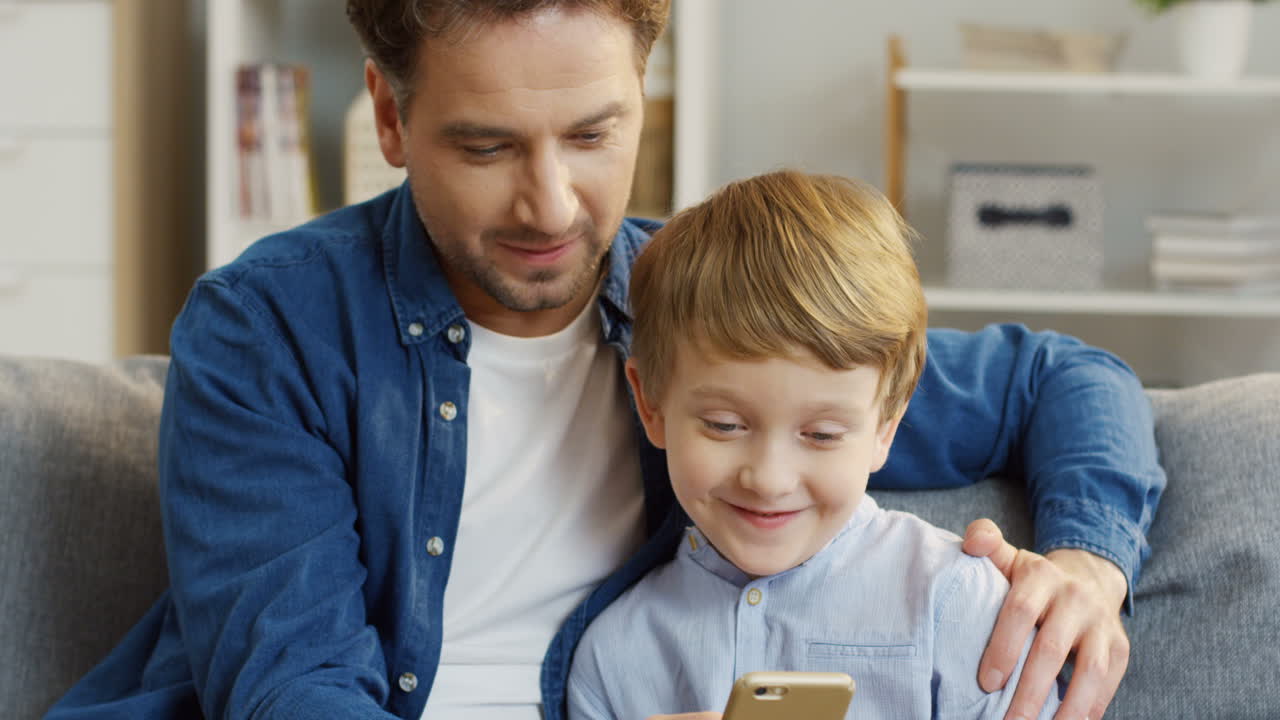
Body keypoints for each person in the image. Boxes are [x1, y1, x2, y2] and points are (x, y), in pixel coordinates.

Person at [46, 2, 1163, 719]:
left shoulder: (711, 319)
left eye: (592, 135)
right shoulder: (267, 328)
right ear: (387, 115)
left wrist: (1088, 564)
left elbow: (1066, 382)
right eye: (485, 145)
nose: (549, 204)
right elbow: (293, 692)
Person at [568, 169, 1061, 719]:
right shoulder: (613, 657)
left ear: (885, 429)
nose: (769, 478)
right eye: (725, 425)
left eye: (822, 435)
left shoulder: (958, 602)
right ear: (651, 405)